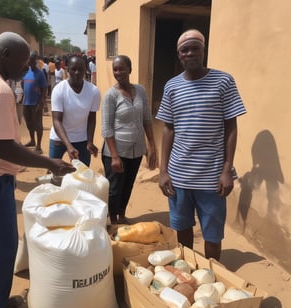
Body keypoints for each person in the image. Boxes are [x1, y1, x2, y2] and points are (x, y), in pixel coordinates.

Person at [0, 31, 74, 308]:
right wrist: (49, 163)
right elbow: (2, 148)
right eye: (23, 61)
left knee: (1, 253)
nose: (27, 67)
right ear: (7, 55)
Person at [156, 29, 246, 260]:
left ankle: (212, 273)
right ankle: (189, 268)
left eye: (195, 48)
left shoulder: (223, 81)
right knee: (182, 228)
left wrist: (227, 170)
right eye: (184, 50)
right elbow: (168, 128)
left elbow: (231, 127)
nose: (190, 53)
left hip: (212, 178)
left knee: (213, 235)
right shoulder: (172, 86)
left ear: (203, 50)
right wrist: (163, 170)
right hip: (178, 176)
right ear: (179, 55)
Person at [101, 55, 157, 224]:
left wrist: (152, 145)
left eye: (122, 68)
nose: (118, 72)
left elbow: (147, 119)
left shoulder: (140, 90)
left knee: (128, 185)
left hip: (137, 150)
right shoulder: (111, 95)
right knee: (114, 189)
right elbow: (106, 128)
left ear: (130, 69)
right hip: (116, 151)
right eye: (115, 69)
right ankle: (113, 221)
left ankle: (122, 215)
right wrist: (115, 156)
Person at [49, 55, 100, 167]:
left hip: (82, 139)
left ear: (85, 70)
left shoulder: (93, 91)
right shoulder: (59, 90)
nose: (77, 72)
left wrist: (90, 141)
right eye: (73, 69)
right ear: (67, 70)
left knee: (83, 174)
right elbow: (57, 121)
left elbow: (91, 119)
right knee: (53, 170)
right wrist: (68, 145)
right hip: (59, 138)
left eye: (80, 69)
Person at [22, 51, 47, 154]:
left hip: (36, 103)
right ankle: (32, 140)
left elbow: (44, 89)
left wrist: (41, 102)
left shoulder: (40, 73)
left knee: (38, 125)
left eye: (32, 61)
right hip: (26, 103)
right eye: (29, 61)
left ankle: (39, 146)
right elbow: (24, 86)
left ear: (35, 61)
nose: (30, 63)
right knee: (29, 123)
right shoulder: (25, 73)